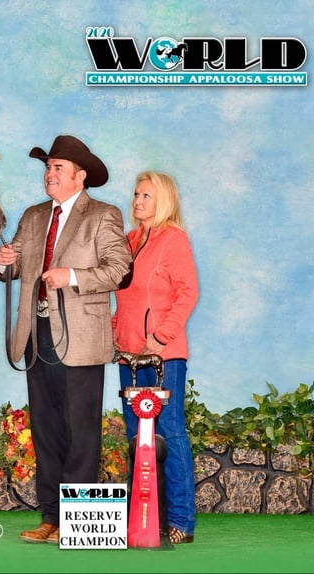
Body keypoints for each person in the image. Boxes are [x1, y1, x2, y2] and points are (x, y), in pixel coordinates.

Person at [0, 135, 132, 544]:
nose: (49, 174)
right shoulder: (35, 216)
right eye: (47, 167)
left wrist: (70, 276)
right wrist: (5, 263)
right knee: (46, 429)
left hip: (81, 336)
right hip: (37, 336)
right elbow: (12, 267)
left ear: (80, 176)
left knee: (81, 431)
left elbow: (118, 269)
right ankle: (50, 518)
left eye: (57, 168)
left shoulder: (103, 215)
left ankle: (78, 522)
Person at [112, 171, 199, 544]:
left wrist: (160, 335)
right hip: (127, 357)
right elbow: (121, 298)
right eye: (135, 194)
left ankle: (181, 520)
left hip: (164, 357)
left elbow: (188, 292)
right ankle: (142, 519)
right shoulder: (129, 241)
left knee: (170, 433)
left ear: (162, 200)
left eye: (145, 195)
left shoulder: (174, 240)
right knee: (136, 437)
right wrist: (116, 333)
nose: (137, 201)